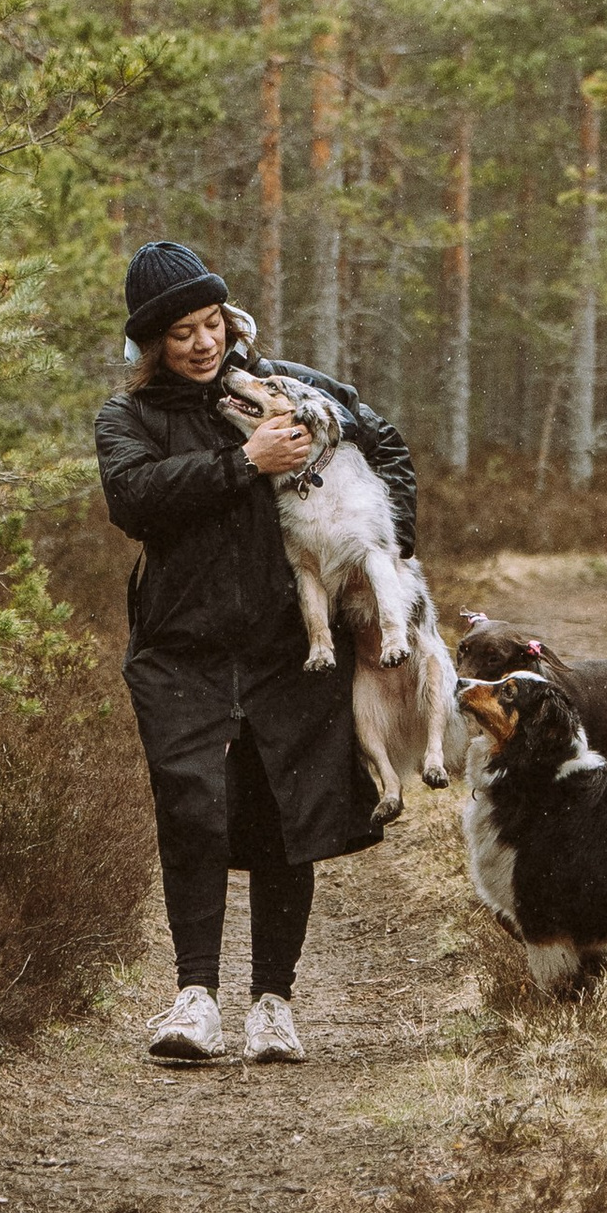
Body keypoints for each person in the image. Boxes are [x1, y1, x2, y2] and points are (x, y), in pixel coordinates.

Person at [95, 238, 418, 1070]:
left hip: (291, 648)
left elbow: (385, 446)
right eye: (181, 333)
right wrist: (244, 462)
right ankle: (195, 997)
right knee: (192, 809)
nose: (204, 344)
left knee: (285, 816)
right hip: (180, 648)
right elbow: (134, 500)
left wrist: (385, 548)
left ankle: (272, 1004)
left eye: (212, 324)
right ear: (151, 346)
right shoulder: (129, 419)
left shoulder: (288, 389)